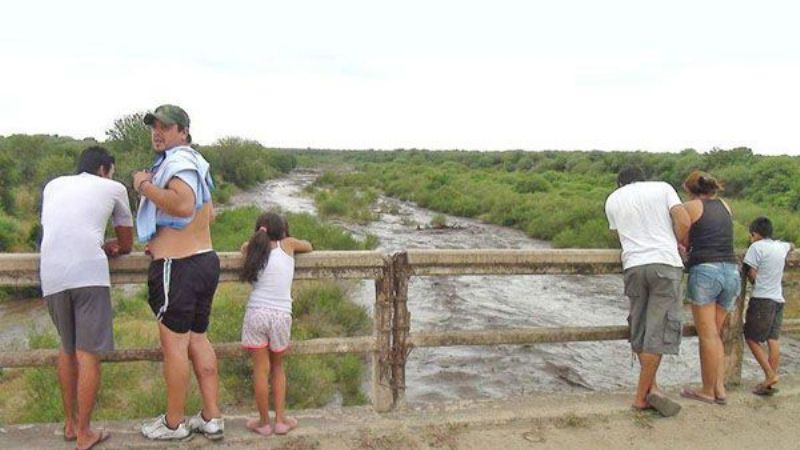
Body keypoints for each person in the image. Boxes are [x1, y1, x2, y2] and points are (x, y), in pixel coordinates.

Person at [133, 105, 223, 441]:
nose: (158, 133)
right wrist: (161, 233)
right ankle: (212, 417)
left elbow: (183, 206)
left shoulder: (177, 161)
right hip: (204, 260)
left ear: (183, 132)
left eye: (166, 127)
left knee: (175, 348)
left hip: (178, 267)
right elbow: (208, 213)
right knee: (198, 339)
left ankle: (173, 424)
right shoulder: (197, 162)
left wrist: (143, 185)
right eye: (154, 127)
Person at [40, 146, 133, 450]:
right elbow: (126, 242)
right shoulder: (114, 187)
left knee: (67, 349)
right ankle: (85, 433)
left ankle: (69, 426)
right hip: (88, 273)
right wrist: (110, 246)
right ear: (105, 169)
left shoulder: (53, 185)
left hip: (51, 272)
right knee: (88, 353)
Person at [605, 166, 690, 417]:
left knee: (640, 328)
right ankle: (641, 397)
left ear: (620, 183)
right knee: (659, 330)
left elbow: (621, 233)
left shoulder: (613, 199)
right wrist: (676, 242)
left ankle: (652, 388)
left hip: (633, 265)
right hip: (664, 263)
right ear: (643, 178)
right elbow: (683, 220)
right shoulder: (662, 187)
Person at [239, 212, 312, 436]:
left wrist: (253, 241)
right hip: (281, 314)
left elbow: (244, 247)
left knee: (260, 371)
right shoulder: (288, 245)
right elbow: (308, 246)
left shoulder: (252, 249)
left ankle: (263, 423)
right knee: (278, 367)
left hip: (256, 313)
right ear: (283, 230)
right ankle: (281, 421)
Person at [679, 171, 740, 405]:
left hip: (705, 270)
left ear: (690, 189)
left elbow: (682, 237)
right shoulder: (724, 205)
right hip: (731, 271)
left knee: (708, 335)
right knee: (716, 333)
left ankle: (707, 389)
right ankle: (719, 387)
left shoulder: (691, 207)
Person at [742, 216, 793, 396]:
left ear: (755, 234)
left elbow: (752, 273)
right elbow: (791, 245)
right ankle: (768, 382)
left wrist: (751, 277)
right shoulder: (781, 246)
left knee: (751, 337)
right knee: (773, 339)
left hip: (762, 298)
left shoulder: (756, 248)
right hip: (778, 298)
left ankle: (770, 375)